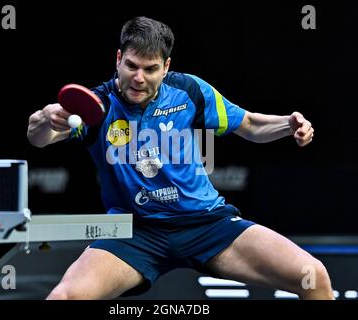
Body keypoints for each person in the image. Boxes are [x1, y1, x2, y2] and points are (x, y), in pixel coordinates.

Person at [27, 16, 334, 300]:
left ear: (166, 66)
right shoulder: (98, 105)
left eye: (150, 69)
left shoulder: (188, 90)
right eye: (131, 66)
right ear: (118, 59)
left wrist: (289, 124)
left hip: (206, 224)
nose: (138, 78)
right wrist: (45, 118)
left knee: (314, 276)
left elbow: (250, 125)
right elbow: (39, 138)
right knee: (64, 297)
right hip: (134, 232)